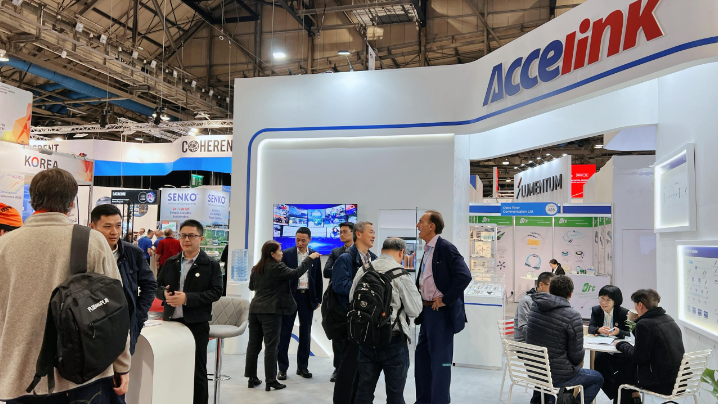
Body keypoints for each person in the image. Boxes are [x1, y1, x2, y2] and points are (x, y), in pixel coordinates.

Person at [0, 168, 131, 403]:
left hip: (19, 376)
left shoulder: (4, 246)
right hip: (82, 373)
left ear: (32, 199)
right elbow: (116, 308)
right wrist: (122, 364)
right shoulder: (92, 241)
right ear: (72, 203)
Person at [155, 220, 223, 404]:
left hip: (196, 324)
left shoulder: (211, 265)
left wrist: (187, 298)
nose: (186, 239)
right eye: (183, 235)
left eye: (191, 236)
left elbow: (216, 292)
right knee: (172, 368)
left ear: (201, 238)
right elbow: (157, 286)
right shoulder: (171, 262)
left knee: (197, 371)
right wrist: (164, 294)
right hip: (171, 323)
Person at [351, 238, 422, 404]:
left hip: (366, 337)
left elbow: (351, 298)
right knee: (395, 394)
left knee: (364, 391)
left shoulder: (364, 269)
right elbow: (415, 310)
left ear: (382, 250)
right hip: (393, 339)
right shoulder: (401, 274)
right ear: (401, 252)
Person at [245, 240, 320, 391]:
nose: (282, 253)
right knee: (271, 346)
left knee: (253, 345)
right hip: (271, 311)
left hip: (254, 310)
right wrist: (309, 259)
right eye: (279, 251)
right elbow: (296, 273)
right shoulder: (277, 266)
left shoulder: (256, 267)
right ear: (272, 254)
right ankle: (271, 380)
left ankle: (251, 378)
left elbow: (252, 286)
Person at [414, 211, 472, 404]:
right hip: (426, 312)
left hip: (440, 315)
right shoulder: (428, 250)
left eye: (421, 222)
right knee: (422, 361)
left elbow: (464, 275)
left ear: (432, 226)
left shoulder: (445, 248)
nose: (417, 225)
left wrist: (446, 299)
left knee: (441, 364)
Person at [90, 204, 158, 356]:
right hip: (93, 326)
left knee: (123, 368)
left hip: (125, 324)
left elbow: (150, 285)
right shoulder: (84, 253)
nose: (114, 232)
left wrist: (139, 316)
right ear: (92, 227)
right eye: (107, 226)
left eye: (118, 226)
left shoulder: (132, 253)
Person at [526, 275, 604, 404]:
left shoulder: (536, 306)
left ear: (550, 289)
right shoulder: (572, 316)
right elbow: (576, 357)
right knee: (597, 378)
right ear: (571, 294)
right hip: (556, 375)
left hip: (535, 369)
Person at [332, 221, 377, 404]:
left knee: (362, 369)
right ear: (358, 234)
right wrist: (366, 291)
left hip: (365, 322)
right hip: (348, 321)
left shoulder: (373, 258)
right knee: (347, 369)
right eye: (370, 232)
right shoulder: (345, 258)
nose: (374, 235)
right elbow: (340, 286)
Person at [613, 289, 684, 404]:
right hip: (680, 380)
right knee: (627, 371)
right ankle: (635, 398)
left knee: (622, 374)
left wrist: (621, 345)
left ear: (640, 305)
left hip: (662, 383)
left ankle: (633, 398)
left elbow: (638, 357)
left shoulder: (644, 324)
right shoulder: (669, 319)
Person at [277, 227, 323, 380]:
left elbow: (317, 278)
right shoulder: (287, 254)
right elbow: (282, 278)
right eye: (297, 240)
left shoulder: (314, 255)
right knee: (284, 333)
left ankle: (302, 367)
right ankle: (282, 368)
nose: (300, 243)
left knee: (305, 334)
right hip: (290, 297)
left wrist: (318, 299)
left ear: (309, 239)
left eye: (303, 240)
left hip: (307, 297)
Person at [514, 271, 554, 403]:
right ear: (541, 285)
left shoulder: (550, 301)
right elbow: (524, 329)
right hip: (526, 346)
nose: (554, 291)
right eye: (552, 286)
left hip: (542, 345)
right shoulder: (527, 301)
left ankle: (548, 398)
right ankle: (542, 399)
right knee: (550, 364)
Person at [324, 221, 354, 382]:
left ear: (354, 233)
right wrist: (343, 270)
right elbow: (326, 271)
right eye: (340, 232)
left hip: (354, 299)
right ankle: (338, 368)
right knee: (337, 336)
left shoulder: (360, 252)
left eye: (345, 231)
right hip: (336, 300)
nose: (341, 234)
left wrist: (339, 272)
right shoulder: (336, 252)